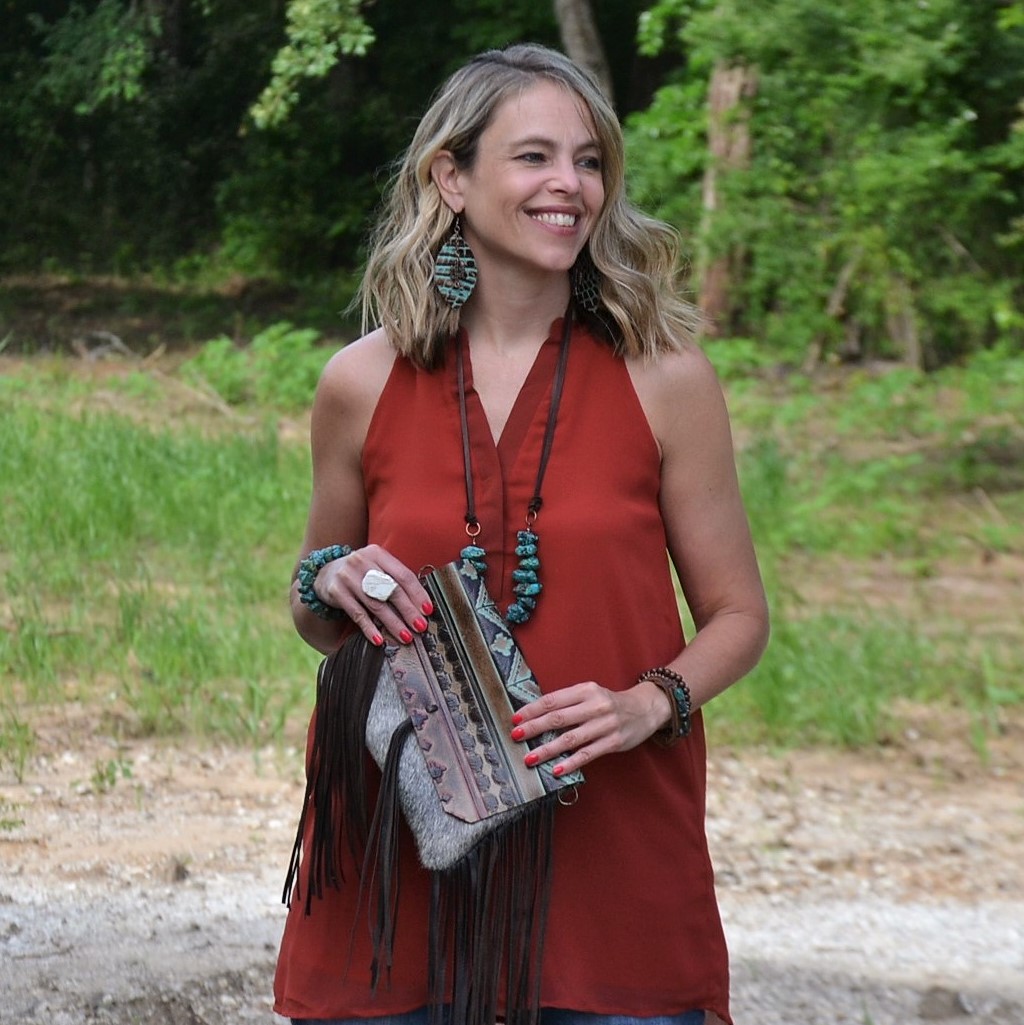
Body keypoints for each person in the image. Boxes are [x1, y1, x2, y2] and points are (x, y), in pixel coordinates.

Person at [274, 42, 769, 1025]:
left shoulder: (667, 378)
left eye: (588, 162)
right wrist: (330, 580)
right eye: (534, 156)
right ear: (450, 178)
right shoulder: (359, 380)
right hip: (405, 842)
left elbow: (739, 614)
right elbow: (316, 611)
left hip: (613, 846)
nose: (568, 185)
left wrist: (648, 701)